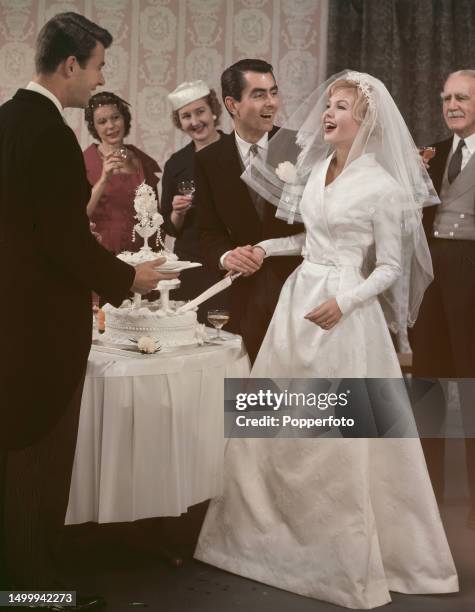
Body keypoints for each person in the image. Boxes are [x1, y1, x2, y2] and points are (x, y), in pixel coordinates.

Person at [195, 71, 459, 609]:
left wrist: (347, 302)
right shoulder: (314, 173)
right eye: (329, 105)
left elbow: (387, 267)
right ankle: (265, 545)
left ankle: (342, 561)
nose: (328, 113)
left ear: (365, 121)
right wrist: (267, 247)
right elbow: (308, 235)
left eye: (341, 107)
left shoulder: (383, 187)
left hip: (343, 314)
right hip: (298, 302)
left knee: (339, 438)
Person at [0, 12, 177, 604]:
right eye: (98, 65)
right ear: (71, 65)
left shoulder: (7, 119)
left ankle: (20, 579)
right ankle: (35, 591)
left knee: (14, 452)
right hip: (42, 325)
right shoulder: (49, 130)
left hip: (12, 316)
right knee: (38, 456)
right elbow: (62, 237)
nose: (99, 78)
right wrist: (131, 276)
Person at [195, 59, 303, 362]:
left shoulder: (302, 147)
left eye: (274, 92)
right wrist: (226, 256)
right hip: (242, 294)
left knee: (303, 394)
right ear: (232, 104)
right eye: (258, 95)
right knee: (251, 392)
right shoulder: (208, 161)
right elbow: (206, 233)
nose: (271, 103)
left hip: (298, 287)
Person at [411, 69, 475, 529]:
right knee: (426, 389)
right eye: (446, 97)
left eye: (463, 98)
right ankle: (426, 498)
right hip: (432, 284)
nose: (452, 105)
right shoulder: (429, 154)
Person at [161, 80, 225, 322]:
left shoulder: (236, 151)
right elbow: (169, 228)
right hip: (191, 264)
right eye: (186, 116)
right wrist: (177, 213)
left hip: (228, 262)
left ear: (213, 111)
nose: (195, 121)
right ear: (180, 122)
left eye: (200, 111)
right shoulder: (176, 163)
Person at [84, 91, 161, 254]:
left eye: (115, 117)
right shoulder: (85, 162)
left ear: (124, 118)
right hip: (101, 254)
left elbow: (154, 216)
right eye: (102, 121)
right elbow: (79, 215)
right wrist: (104, 179)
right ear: (94, 127)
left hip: (142, 254)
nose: (110, 126)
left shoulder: (142, 161)